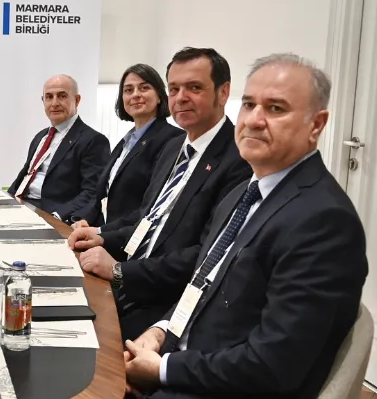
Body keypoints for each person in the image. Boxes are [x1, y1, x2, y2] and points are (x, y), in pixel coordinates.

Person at [31, 53, 367, 399]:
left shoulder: (323, 220)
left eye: (275, 108)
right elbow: (203, 285)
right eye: (250, 104)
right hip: (192, 367)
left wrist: (164, 370)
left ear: (317, 125)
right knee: (59, 397)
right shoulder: (250, 193)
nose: (254, 119)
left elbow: (274, 365)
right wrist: (160, 333)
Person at [69, 47, 252, 339]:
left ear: (223, 92)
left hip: (167, 306)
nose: (181, 97)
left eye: (194, 88)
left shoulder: (239, 159)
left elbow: (207, 255)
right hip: (130, 281)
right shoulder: (173, 148)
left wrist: (120, 271)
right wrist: (102, 237)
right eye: (174, 89)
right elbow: (148, 219)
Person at [70, 64, 182, 226]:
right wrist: (84, 220)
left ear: (159, 96)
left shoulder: (173, 139)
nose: (135, 95)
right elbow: (103, 195)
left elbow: (152, 207)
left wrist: (102, 233)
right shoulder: (126, 142)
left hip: (132, 236)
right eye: (128, 90)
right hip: (105, 231)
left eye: (144, 88)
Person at [7, 75, 110, 223]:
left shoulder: (94, 141)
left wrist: (57, 216)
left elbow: (92, 192)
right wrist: (5, 201)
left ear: (77, 100)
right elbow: (25, 176)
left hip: (54, 215)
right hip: (24, 206)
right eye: (49, 97)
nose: (54, 103)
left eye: (62, 96)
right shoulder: (40, 137)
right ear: (43, 101)